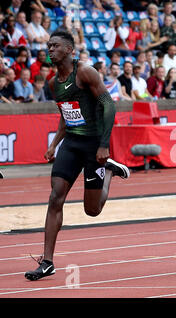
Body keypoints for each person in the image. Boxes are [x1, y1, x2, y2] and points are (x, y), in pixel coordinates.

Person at [24, 30, 130, 281]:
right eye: (48, 45)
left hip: (94, 145)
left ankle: (110, 172)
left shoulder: (85, 72)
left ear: (70, 50)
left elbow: (109, 104)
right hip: (71, 144)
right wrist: (54, 143)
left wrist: (104, 145)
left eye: (55, 46)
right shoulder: (52, 83)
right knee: (55, 197)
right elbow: (66, 113)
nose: (49, 49)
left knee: (92, 210)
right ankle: (47, 261)